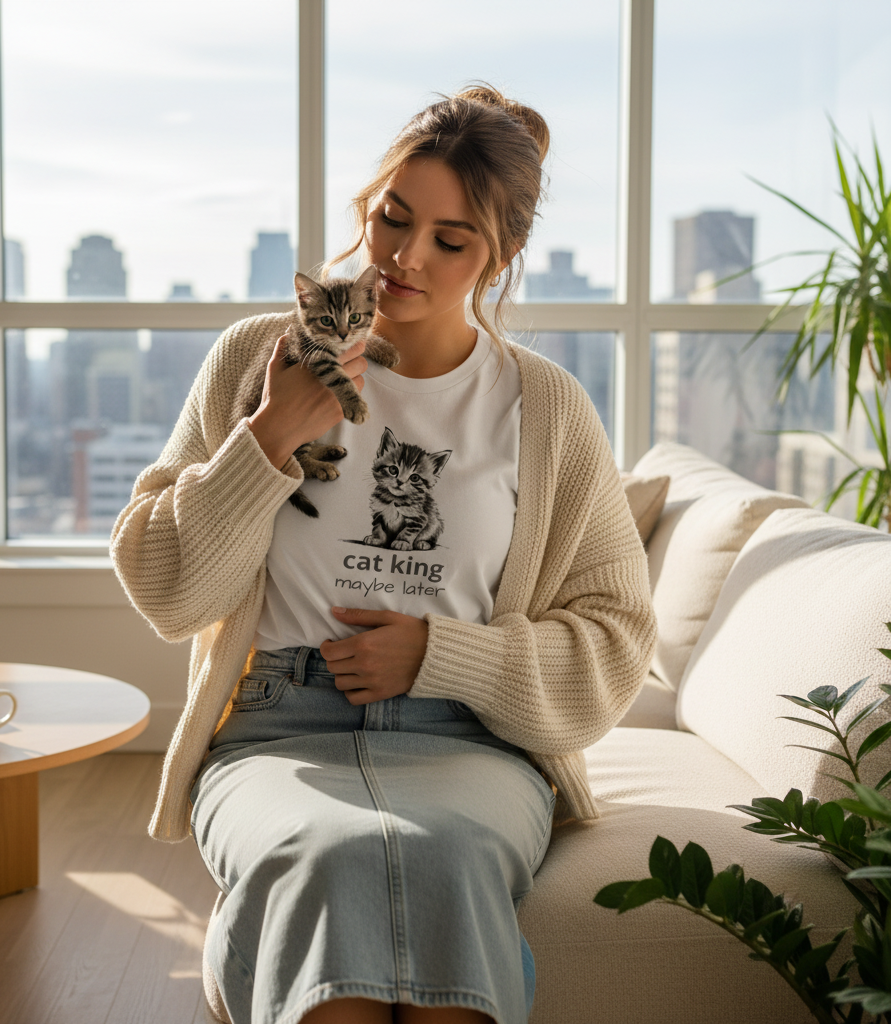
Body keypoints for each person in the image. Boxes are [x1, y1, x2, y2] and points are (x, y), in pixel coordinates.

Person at [111, 85, 655, 1024]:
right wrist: (272, 433)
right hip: (276, 731)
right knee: (328, 852)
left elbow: (615, 640)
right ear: (367, 208)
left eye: (452, 241)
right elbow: (167, 591)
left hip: (470, 742)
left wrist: (442, 654)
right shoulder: (255, 359)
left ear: (502, 256)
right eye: (392, 220)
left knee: (441, 853)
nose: (405, 259)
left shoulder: (547, 407)